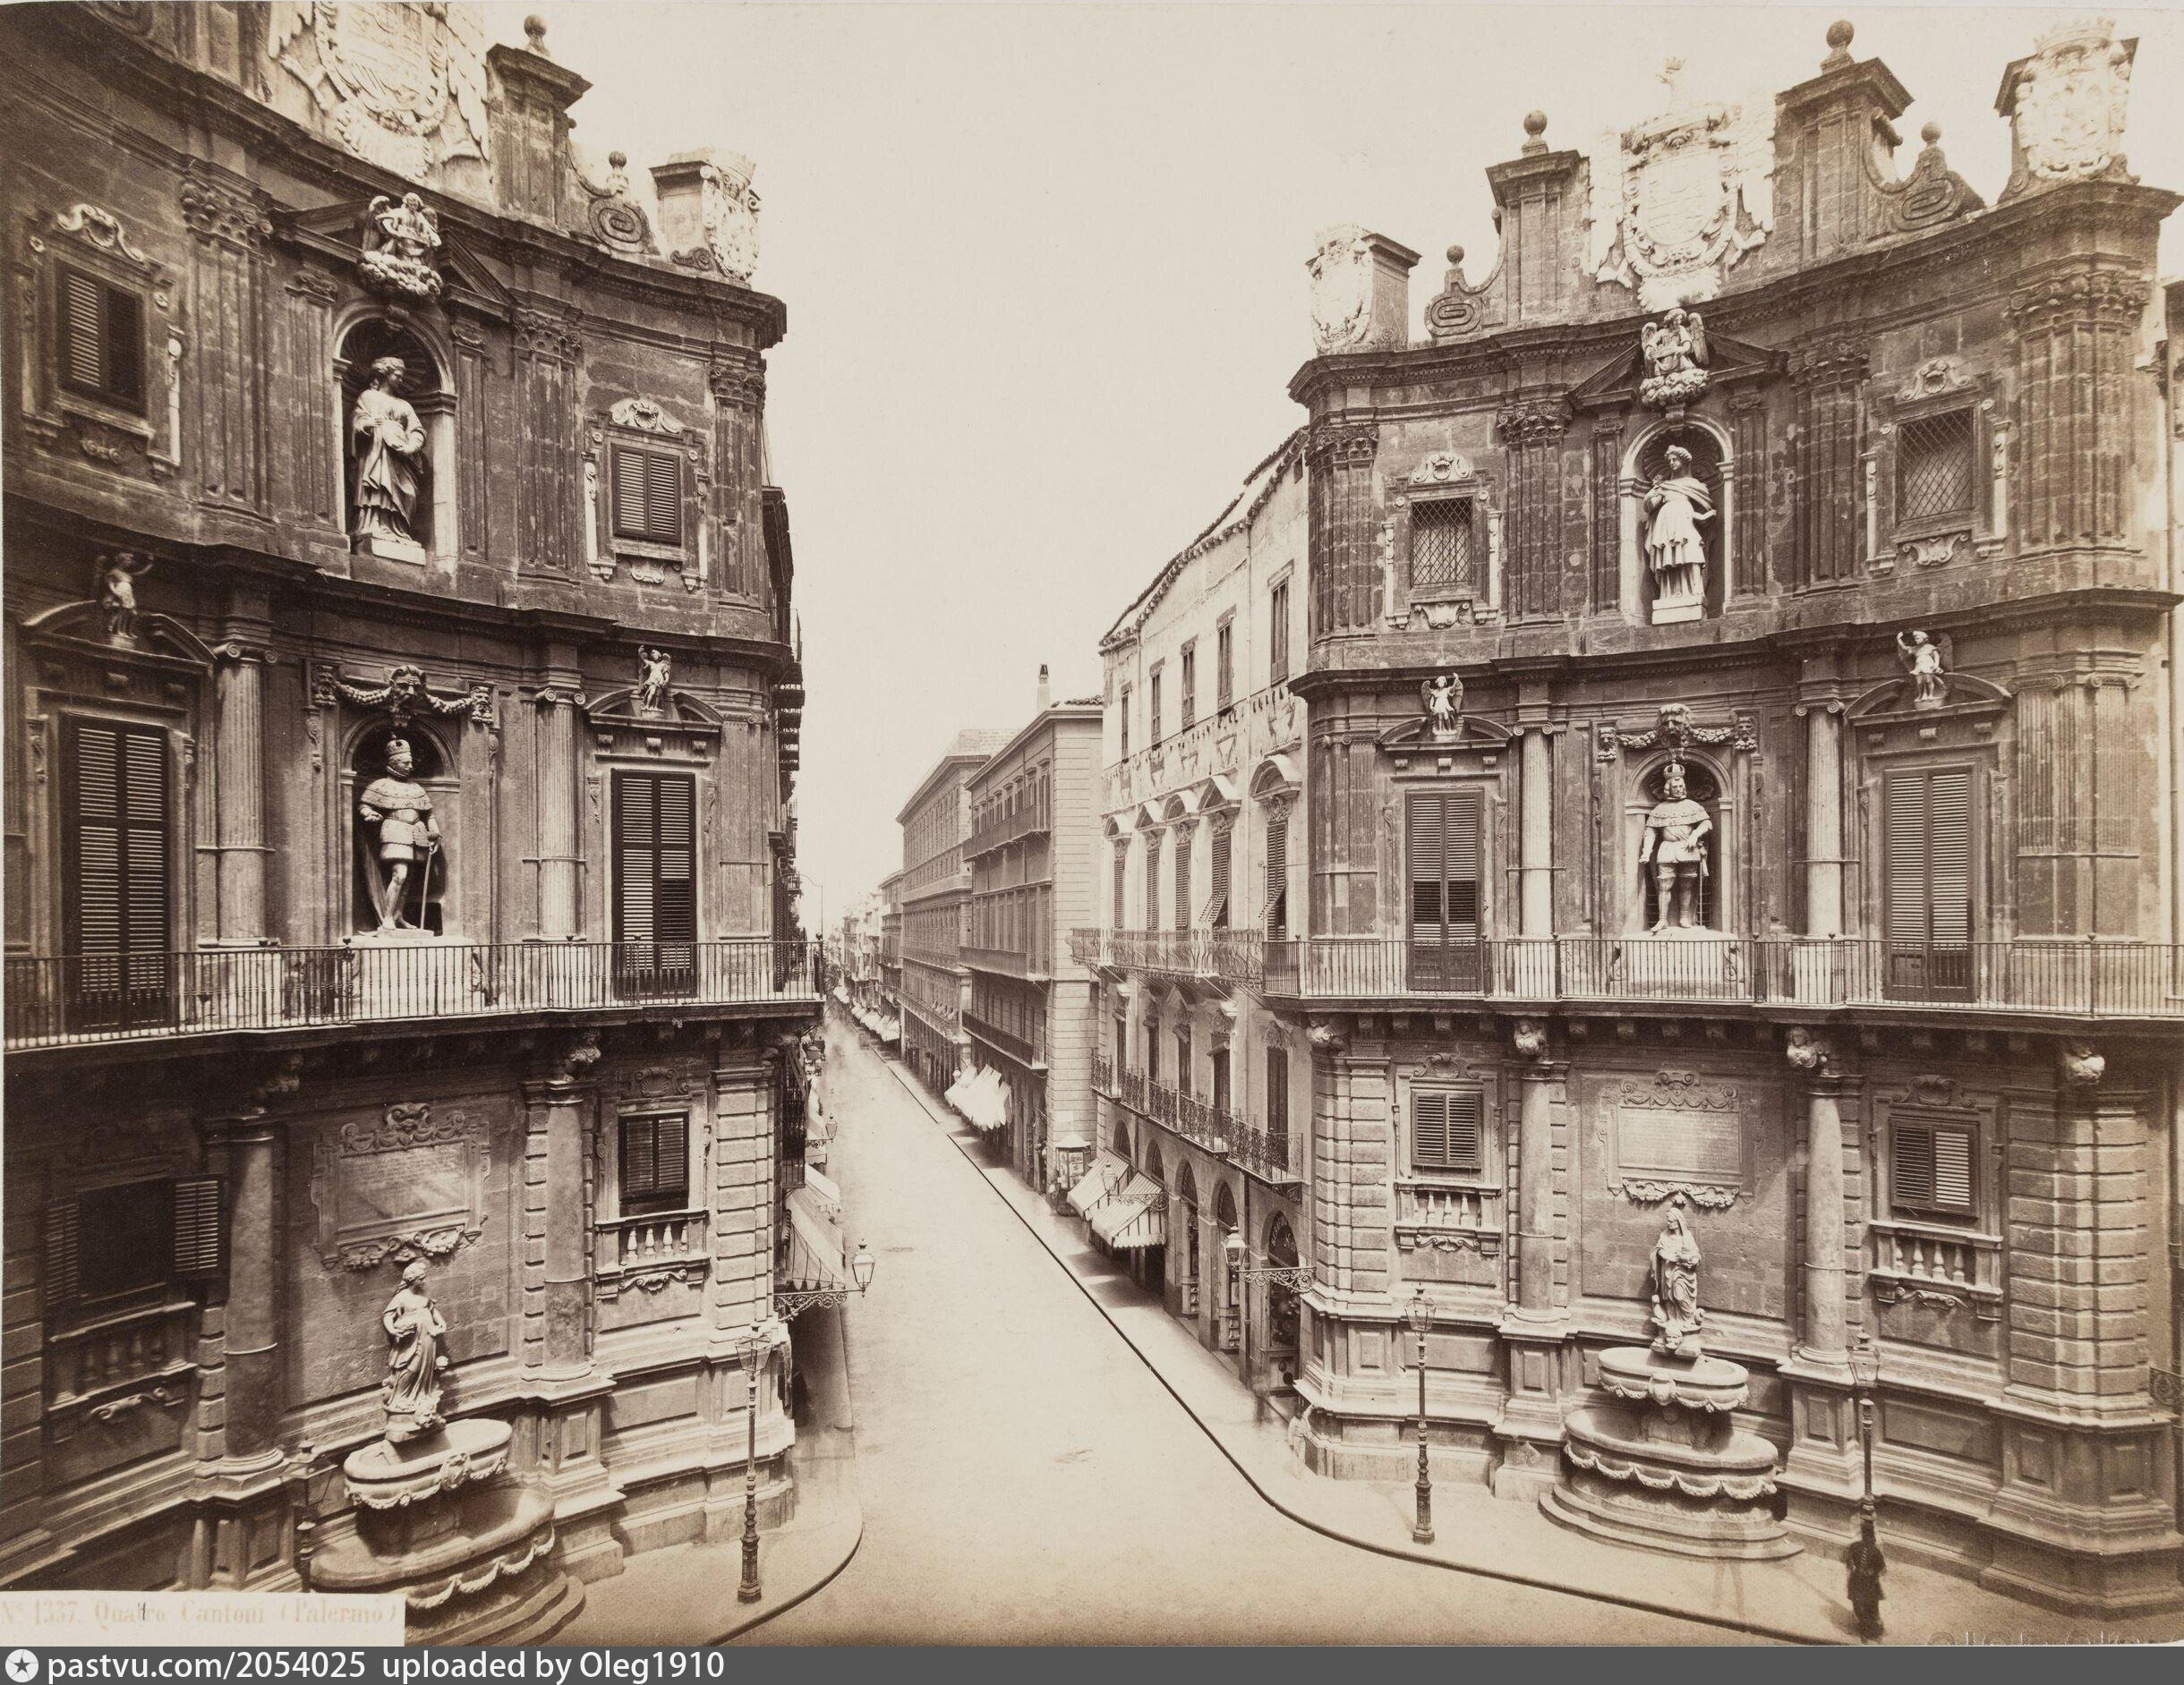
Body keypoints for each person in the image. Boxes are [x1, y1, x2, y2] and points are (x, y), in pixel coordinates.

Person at [359, 736, 439, 930]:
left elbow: (428, 813)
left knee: (408, 879)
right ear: (394, 763)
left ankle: (398, 916)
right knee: (400, 875)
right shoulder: (380, 785)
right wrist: (368, 813)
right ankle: (387, 918)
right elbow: (364, 805)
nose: (411, 766)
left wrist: (434, 830)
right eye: (406, 763)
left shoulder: (416, 788)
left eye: (411, 762)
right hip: (395, 831)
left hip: (416, 834)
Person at [351, 355, 427, 549]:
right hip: (377, 450)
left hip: (401, 455)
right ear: (385, 374)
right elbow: (357, 419)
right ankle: (374, 525)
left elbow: (417, 430)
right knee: (378, 486)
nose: (400, 380)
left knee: (407, 492)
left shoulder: (404, 405)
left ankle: (398, 530)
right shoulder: (368, 396)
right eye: (397, 375)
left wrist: (411, 446)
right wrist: (368, 424)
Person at [380, 1261, 449, 1443]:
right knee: (410, 1367)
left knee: (426, 1367)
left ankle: (421, 1396)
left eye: (424, 1278)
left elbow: (432, 1311)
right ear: (412, 1280)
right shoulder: (402, 1297)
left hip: (428, 1336)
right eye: (421, 1279)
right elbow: (388, 1315)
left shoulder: (424, 1295)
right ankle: (402, 1398)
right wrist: (393, 1330)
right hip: (411, 1339)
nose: (424, 1282)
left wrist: (441, 1323)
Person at [1638, 762, 1711, 931]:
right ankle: (1662, 920)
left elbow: (1707, 823)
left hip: (1688, 849)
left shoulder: (1692, 806)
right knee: (1665, 885)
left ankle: (1684, 918)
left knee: (1687, 885)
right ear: (1668, 788)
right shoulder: (1660, 809)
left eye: (1680, 786)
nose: (1678, 789)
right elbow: (1650, 832)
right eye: (1675, 786)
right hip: (1667, 849)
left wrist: (1695, 834)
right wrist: (1647, 851)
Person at [1643, 445, 1713, 614]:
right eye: (1670, 460)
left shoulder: (1694, 485)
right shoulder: (1665, 486)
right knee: (1669, 556)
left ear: (1684, 461)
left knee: (1690, 553)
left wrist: (1703, 517)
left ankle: (1695, 592)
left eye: (1675, 459)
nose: (1672, 463)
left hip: (1685, 519)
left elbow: (1707, 505)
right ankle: (1668, 595)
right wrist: (1655, 490)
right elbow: (1649, 506)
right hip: (1666, 521)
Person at [1846, 1511, 1886, 1642]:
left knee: (1860, 1607)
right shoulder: (1876, 1551)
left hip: (1857, 1581)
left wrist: (1850, 1577)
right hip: (1871, 1583)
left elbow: (1849, 1564)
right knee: (1872, 1608)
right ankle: (1875, 1633)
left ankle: (1865, 1632)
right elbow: (1883, 1570)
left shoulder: (1854, 1547)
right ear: (1872, 1536)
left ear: (1862, 1535)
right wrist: (1873, 1573)